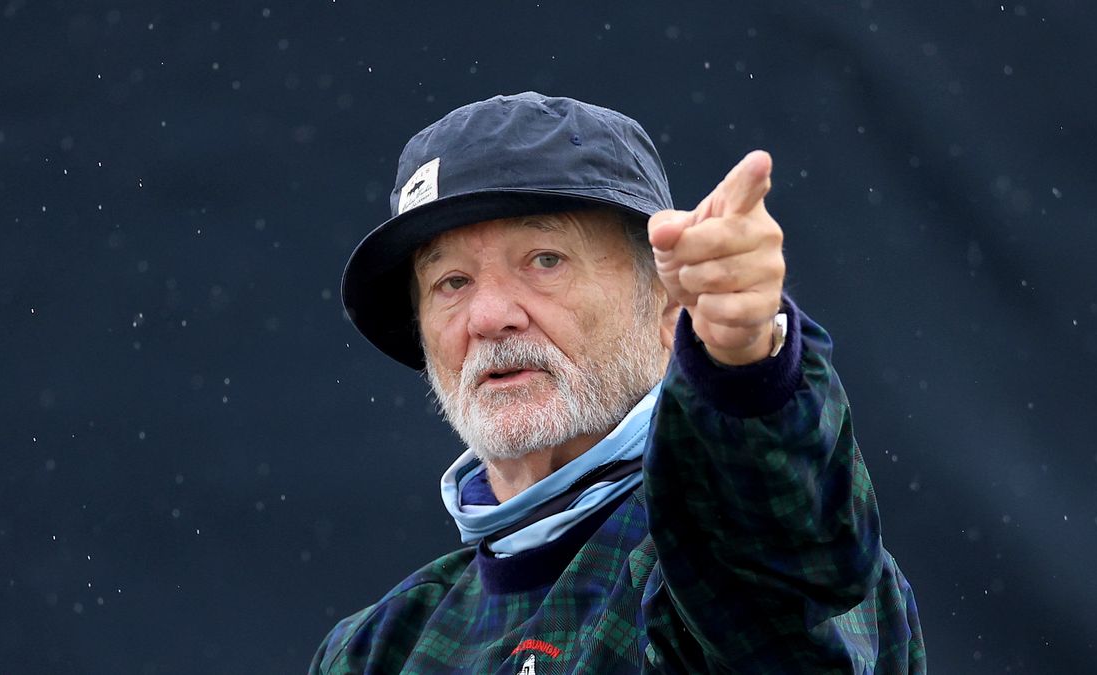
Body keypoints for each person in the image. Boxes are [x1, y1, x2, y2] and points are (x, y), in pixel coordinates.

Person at [312, 91, 925, 674]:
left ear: (666, 309)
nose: (489, 315)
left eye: (545, 260)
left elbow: (781, 577)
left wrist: (747, 365)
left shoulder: (715, 567)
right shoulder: (375, 651)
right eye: (452, 282)